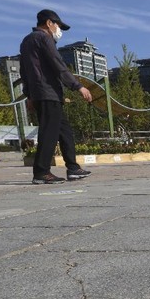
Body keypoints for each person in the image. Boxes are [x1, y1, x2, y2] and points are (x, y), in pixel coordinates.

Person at [20, 9, 93, 184]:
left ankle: (73, 168)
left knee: (64, 131)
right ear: (48, 23)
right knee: (49, 133)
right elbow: (58, 65)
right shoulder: (44, 38)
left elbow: (24, 70)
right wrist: (78, 86)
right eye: (58, 25)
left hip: (41, 93)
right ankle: (41, 172)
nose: (58, 30)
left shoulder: (27, 41)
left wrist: (29, 94)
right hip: (47, 92)